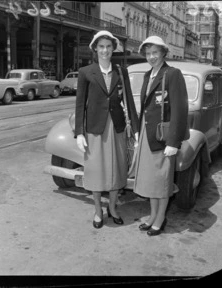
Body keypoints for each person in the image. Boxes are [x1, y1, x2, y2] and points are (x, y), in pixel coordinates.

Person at [74, 30, 139, 229]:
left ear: (113, 48)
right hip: (95, 128)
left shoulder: (121, 71)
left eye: (108, 47)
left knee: (116, 170)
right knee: (95, 171)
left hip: (116, 127)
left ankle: (112, 208)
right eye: (101, 47)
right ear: (95, 49)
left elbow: (128, 99)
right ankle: (97, 211)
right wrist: (79, 132)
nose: (105, 50)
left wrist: (135, 129)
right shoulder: (86, 72)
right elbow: (80, 104)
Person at [134, 36, 189, 236]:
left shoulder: (172, 74)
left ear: (164, 52)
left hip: (164, 138)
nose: (151, 57)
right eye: (148, 54)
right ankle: (152, 215)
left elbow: (180, 109)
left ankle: (160, 219)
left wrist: (174, 141)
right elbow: (146, 108)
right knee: (151, 181)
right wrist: (139, 132)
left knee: (162, 182)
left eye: (155, 53)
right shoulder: (148, 75)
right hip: (149, 136)